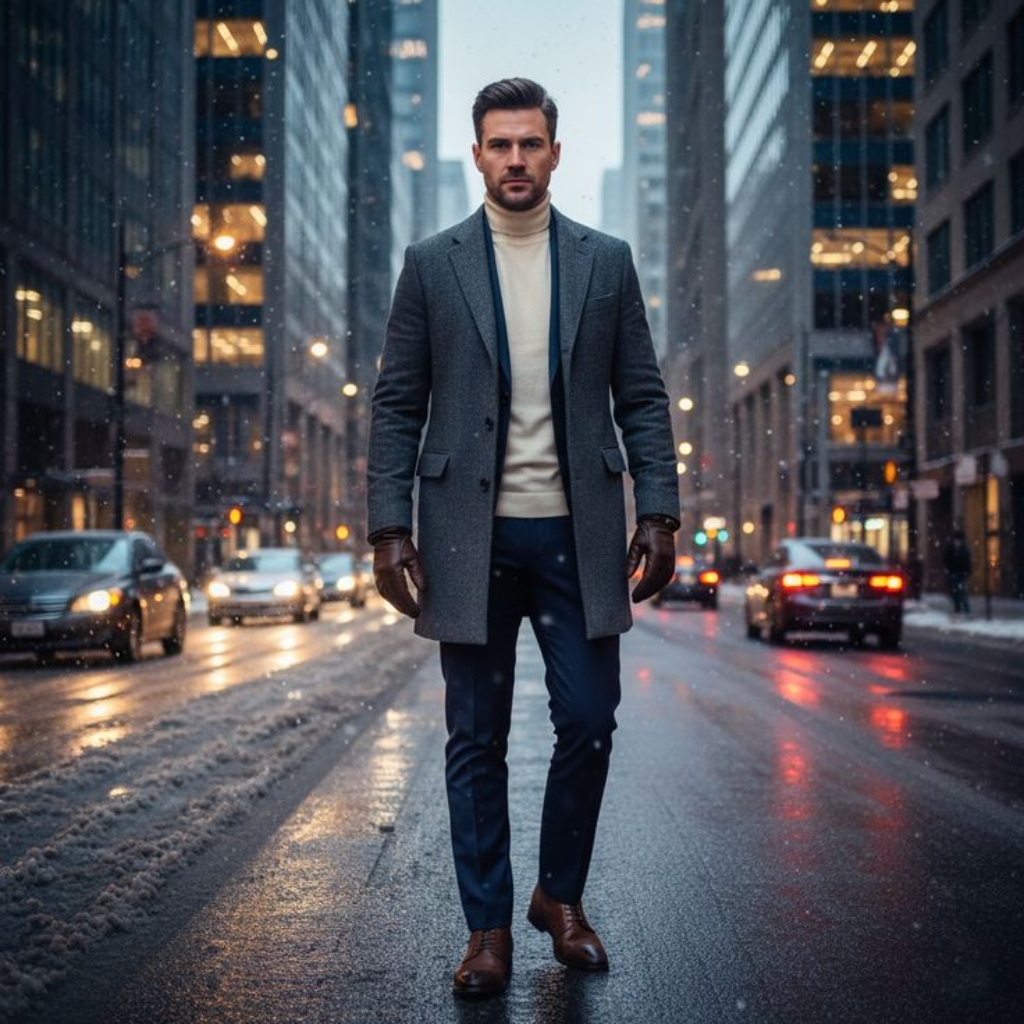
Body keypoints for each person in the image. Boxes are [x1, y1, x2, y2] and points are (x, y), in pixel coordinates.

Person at [366, 78, 679, 998]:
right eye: (499, 144)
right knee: (476, 737)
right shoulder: (432, 263)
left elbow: (642, 396)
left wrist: (659, 511)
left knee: (588, 720)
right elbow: (397, 404)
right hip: (468, 538)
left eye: (530, 143)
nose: (515, 159)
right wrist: (389, 527)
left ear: (554, 152)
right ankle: (488, 929)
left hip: (578, 534)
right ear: (478, 155)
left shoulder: (605, 262)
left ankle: (559, 896)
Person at [943, 527, 972, 614]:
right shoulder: (950, 549)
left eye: (959, 540)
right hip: (953, 572)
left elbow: (967, 562)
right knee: (954, 591)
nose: (957, 542)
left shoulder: (964, 549)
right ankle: (958, 607)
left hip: (960, 573)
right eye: (956, 540)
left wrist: (967, 571)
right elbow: (946, 560)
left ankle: (964, 607)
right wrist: (948, 569)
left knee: (961, 591)